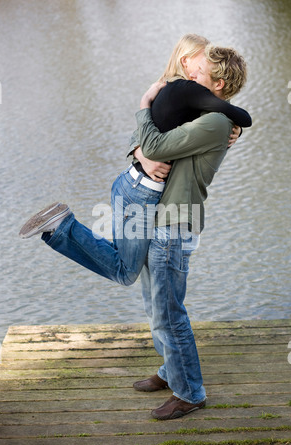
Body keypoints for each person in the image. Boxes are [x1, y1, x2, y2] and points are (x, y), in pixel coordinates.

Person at [19, 34, 251, 291]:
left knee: (124, 264)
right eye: (201, 59)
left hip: (136, 185)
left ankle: (61, 227)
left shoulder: (183, 95)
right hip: (141, 189)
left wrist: (234, 127)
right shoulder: (183, 90)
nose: (202, 66)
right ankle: (62, 226)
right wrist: (142, 152)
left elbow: (192, 121)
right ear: (186, 61)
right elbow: (146, 135)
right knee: (126, 271)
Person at [130, 43, 250, 420]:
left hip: (174, 225)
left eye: (199, 74)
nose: (190, 79)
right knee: (156, 308)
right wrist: (138, 150)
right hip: (161, 219)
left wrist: (143, 107)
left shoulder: (213, 123)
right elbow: (147, 147)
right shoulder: (204, 115)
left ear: (218, 82)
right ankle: (171, 371)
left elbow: (154, 143)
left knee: (170, 313)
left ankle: (190, 393)